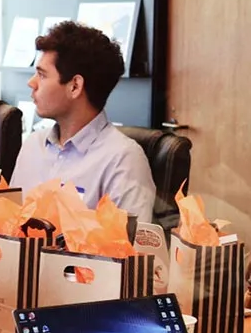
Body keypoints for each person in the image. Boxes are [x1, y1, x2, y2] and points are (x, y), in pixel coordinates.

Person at [11, 21, 156, 222]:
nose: (31, 83)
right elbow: (6, 228)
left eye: (42, 75)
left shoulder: (123, 159)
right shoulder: (32, 146)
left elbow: (131, 249)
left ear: (75, 86)